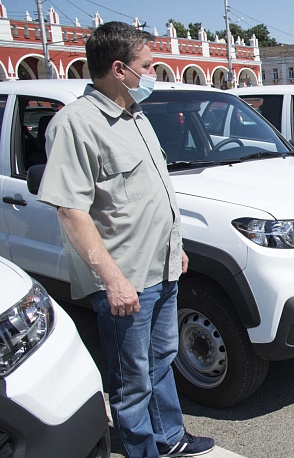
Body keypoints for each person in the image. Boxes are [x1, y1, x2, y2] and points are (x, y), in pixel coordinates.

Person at [37, 22, 214, 456]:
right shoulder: (75, 124)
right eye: (146, 66)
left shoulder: (135, 117)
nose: (152, 74)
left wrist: (178, 248)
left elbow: (150, 195)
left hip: (163, 268)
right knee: (131, 379)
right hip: (126, 280)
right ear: (119, 69)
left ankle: (169, 437)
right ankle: (142, 450)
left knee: (160, 361)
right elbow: (70, 209)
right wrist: (112, 279)